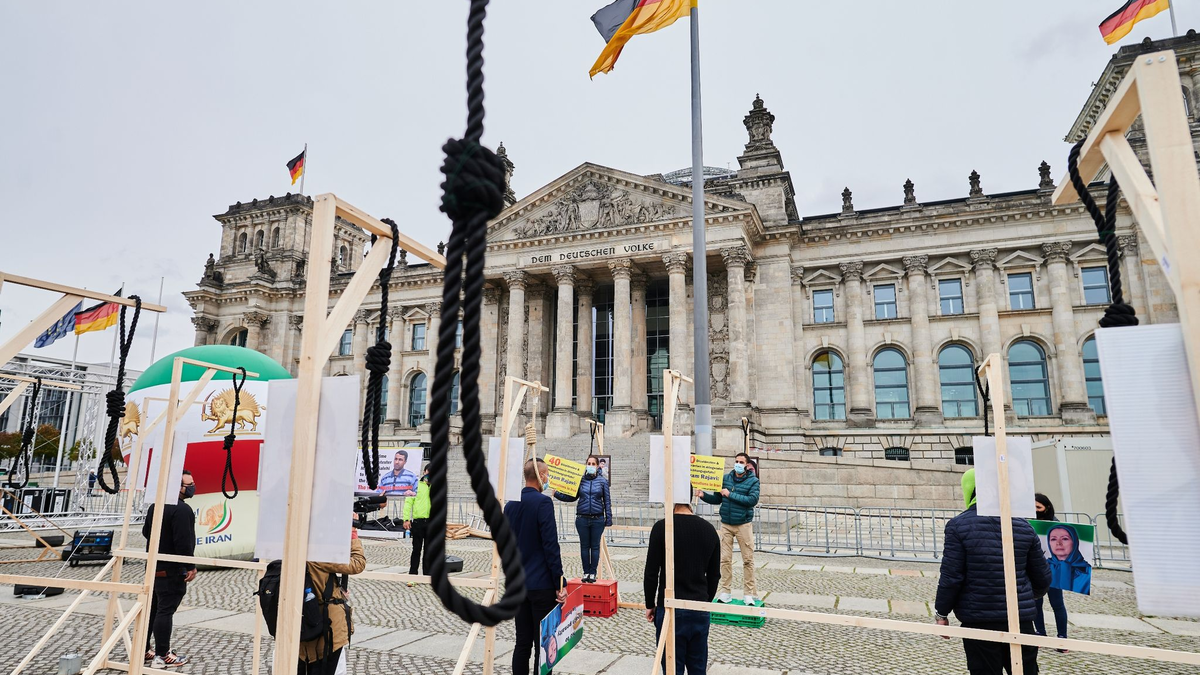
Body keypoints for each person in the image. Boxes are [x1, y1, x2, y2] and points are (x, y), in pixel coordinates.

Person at [935, 469, 1052, 675]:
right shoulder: (1023, 525)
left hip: (978, 619)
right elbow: (1042, 577)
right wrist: (1023, 597)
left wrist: (942, 613)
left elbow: (952, 577)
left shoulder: (958, 526)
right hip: (1019, 619)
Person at [504, 459, 567, 675]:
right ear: (541, 475)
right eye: (547, 473)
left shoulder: (510, 505)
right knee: (544, 644)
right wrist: (560, 581)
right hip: (541, 584)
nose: (548, 478)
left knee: (522, 643)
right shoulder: (543, 503)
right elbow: (551, 545)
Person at [644, 500, 721, 674]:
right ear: (691, 499)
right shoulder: (709, 530)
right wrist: (705, 603)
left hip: (671, 608)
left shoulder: (661, 528)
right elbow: (714, 575)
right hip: (699, 607)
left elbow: (651, 573)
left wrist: (650, 604)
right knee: (698, 668)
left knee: (672, 669)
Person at [141, 470, 197, 668]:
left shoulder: (155, 507)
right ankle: (162, 655)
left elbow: (145, 532)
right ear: (178, 487)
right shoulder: (182, 510)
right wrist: (190, 565)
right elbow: (184, 542)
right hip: (172, 570)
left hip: (154, 568)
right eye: (188, 484)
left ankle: (144, 649)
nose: (192, 487)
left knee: (153, 610)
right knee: (165, 611)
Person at [299, 523, 367, 675]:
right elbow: (357, 563)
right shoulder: (319, 553)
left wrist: (336, 592)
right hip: (326, 629)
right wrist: (353, 534)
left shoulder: (295, 549)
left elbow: (316, 581)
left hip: (304, 624)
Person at [695, 452, 760, 605]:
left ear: (747, 465)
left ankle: (749, 593)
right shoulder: (726, 478)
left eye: (741, 462)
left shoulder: (753, 481)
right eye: (736, 461)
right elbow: (717, 499)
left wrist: (730, 494)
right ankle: (725, 591)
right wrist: (703, 495)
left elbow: (752, 500)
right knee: (725, 560)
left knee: (748, 560)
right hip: (727, 524)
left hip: (743, 524)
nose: (738, 464)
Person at [553, 455, 613, 583]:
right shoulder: (580, 480)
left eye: (593, 464)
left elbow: (607, 501)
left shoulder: (602, 482)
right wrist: (556, 494)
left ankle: (593, 573)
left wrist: (609, 518)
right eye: (589, 463)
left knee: (595, 547)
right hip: (582, 519)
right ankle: (586, 572)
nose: (590, 466)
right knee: (584, 546)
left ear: (597, 466)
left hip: (597, 519)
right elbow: (572, 497)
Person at [1033, 494, 1070, 649]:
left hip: (1054, 569)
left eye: (1038, 507)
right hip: (1035, 568)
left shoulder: (1056, 524)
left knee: (1057, 603)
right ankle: (1040, 633)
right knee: (1036, 603)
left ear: (1046, 508)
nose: (1036, 511)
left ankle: (1062, 638)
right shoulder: (1028, 523)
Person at [402, 465, 431, 581]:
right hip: (418, 522)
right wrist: (406, 519)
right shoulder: (416, 485)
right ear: (424, 472)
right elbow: (408, 502)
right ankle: (412, 575)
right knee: (416, 549)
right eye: (428, 472)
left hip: (431, 522)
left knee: (429, 550)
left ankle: (427, 575)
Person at [1046, 524, 1091, 595]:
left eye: (1065, 539)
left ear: (1074, 542)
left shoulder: (1085, 570)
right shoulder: (1044, 566)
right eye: (1053, 539)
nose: (1058, 543)